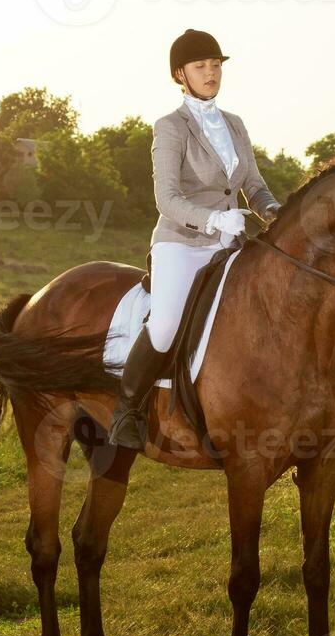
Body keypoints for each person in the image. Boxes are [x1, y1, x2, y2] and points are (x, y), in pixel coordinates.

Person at [107, 29, 282, 449]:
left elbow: (253, 187)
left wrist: (277, 213)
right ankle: (127, 411)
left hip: (229, 241)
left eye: (216, 65)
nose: (211, 73)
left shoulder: (236, 125)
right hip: (181, 242)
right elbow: (166, 199)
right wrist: (212, 221)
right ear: (179, 75)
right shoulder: (170, 127)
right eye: (201, 66)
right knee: (166, 323)